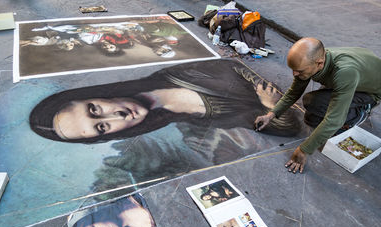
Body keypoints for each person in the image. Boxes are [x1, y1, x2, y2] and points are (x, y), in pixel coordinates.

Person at [30, 59, 301, 143]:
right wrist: (269, 106)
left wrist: (268, 101)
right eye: (101, 127)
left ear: (99, 93)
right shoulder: (194, 126)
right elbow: (287, 127)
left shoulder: (177, 73)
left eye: (95, 109)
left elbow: (232, 64)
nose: (117, 117)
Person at [254, 37, 381, 173]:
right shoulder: (311, 62)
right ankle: (343, 99)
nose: (295, 74)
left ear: (319, 63)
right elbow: (293, 93)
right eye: (293, 69)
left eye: (300, 71)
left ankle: (361, 112)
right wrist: (271, 114)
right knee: (312, 108)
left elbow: (334, 120)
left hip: (369, 93)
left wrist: (304, 150)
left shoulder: (344, 72)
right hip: (355, 78)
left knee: (324, 113)